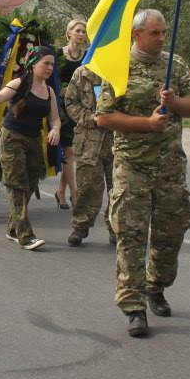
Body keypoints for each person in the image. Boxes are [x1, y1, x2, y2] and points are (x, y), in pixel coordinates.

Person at [95, 9, 190, 338]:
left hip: (169, 167)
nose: (161, 37)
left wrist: (175, 101)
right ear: (137, 34)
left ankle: (156, 286)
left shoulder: (176, 65)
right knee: (131, 236)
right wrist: (147, 125)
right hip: (132, 165)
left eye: (164, 32)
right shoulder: (117, 66)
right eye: (155, 32)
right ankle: (133, 305)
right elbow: (104, 119)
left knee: (171, 233)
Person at [0, 45, 61, 251]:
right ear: (33, 64)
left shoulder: (49, 91)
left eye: (52, 64)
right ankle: (25, 235)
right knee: (17, 185)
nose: (49, 68)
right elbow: (0, 96)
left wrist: (55, 130)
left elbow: (55, 118)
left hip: (33, 141)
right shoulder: (20, 83)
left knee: (31, 184)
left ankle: (12, 229)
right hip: (12, 137)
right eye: (46, 63)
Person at [64, 63, 115, 247]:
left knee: (119, 189)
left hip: (118, 139)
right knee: (88, 187)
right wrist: (91, 118)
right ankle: (81, 225)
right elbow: (70, 102)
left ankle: (117, 229)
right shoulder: (83, 72)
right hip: (88, 140)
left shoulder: (124, 70)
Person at [54, 19, 87, 209]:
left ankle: (61, 190)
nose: (81, 34)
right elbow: (51, 77)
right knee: (69, 150)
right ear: (69, 33)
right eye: (78, 31)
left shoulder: (87, 56)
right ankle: (75, 192)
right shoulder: (59, 54)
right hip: (61, 108)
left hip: (80, 107)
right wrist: (60, 90)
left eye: (83, 31)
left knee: (72, 152)